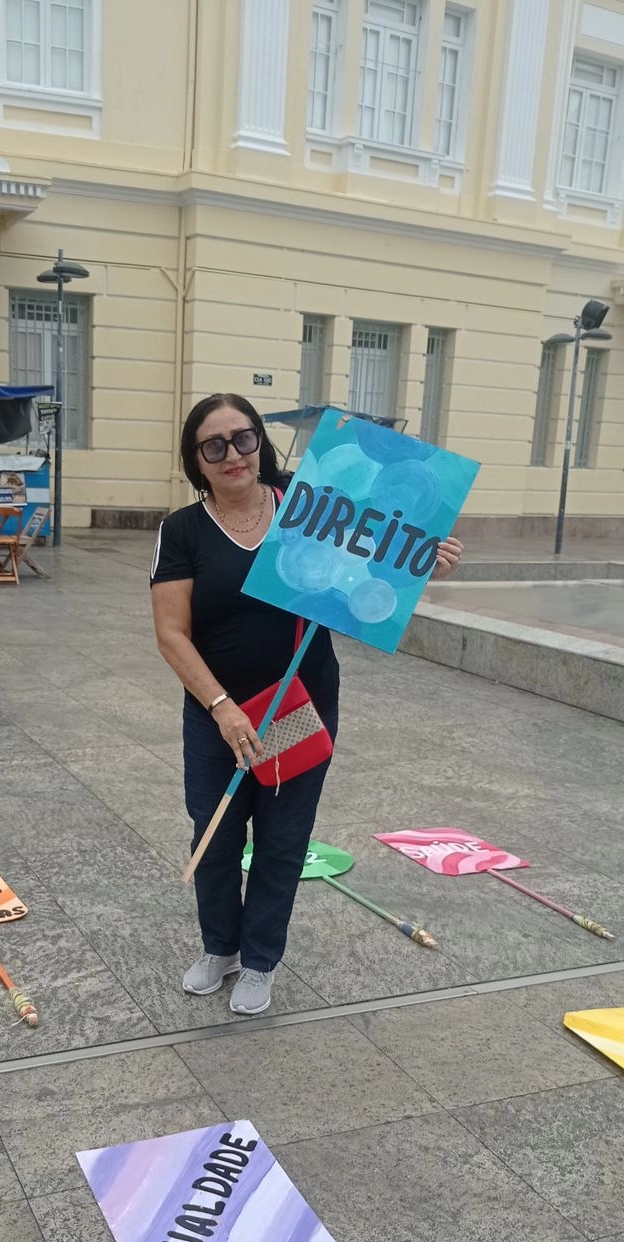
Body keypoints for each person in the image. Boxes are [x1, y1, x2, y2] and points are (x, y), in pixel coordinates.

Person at [151, 392, 461, 1016]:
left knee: (283, 837)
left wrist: (422, 561)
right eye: (214, 446)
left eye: (243, 438)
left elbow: (376, 557)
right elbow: (171, 633)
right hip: (218, 712)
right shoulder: (182, 530)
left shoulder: (306, 499)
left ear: (260, 441)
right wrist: (221, 706)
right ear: (197, 461)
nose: (233, 454)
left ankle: (261, 958)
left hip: (298, 703)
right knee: (212, 839)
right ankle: (221, 947)